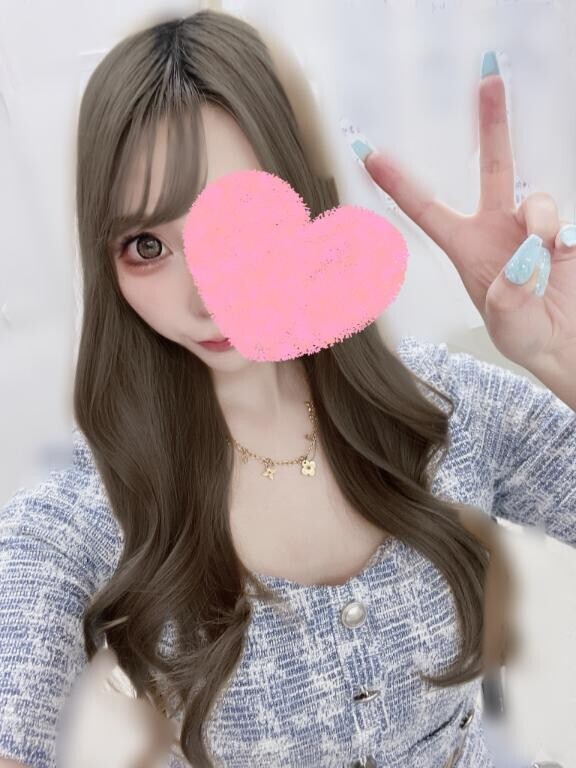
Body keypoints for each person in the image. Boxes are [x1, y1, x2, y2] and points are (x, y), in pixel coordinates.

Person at [0, 8, 574, 768]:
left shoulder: (445, 403)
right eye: (147, 246)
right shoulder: (90, 506)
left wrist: (561, 356)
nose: (206, 298)